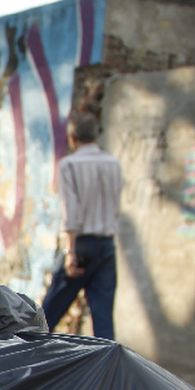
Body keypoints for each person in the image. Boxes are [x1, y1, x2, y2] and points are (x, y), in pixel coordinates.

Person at [43, 111, 123, 339]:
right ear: (96, 135)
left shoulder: (69, 164)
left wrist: (69, 251)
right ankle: (105, 372)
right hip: (106, 245)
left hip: (80, 245)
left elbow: (71, 211)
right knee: (104, 320)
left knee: (47, 315)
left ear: (72, 138)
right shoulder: (114, 163)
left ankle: (21, 360)